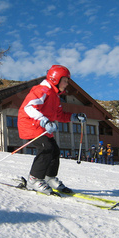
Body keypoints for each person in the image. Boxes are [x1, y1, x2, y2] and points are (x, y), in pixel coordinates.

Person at [18, 65, 87, 194]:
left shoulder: (55, 96)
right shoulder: (43, 90)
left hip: (42, 127)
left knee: (54, 150)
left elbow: (59, 115)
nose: (67, 84)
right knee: (46, 148)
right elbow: (29, 107)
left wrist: (74, 117)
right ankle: (33, 180)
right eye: (65, 80)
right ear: (55, 79)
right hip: (30, 124)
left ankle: (49, 178)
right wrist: (44, 120)